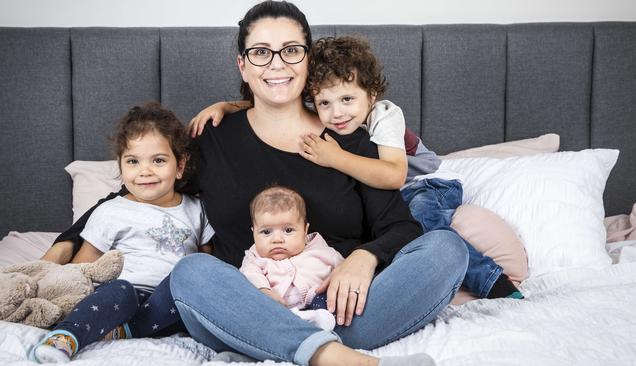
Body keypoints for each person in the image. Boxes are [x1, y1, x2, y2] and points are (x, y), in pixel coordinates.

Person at [42, 2, 467, 365]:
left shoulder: (347, 139)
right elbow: (142, 189)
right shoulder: (210, 139)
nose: (277, 63)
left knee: (447, 248)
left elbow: (402, 228)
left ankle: (311, 346)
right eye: (261, 52)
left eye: (291, 51)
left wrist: (365, 258)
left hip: (342, 308)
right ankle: (328, 355)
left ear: (308, 61)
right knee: (192, 272)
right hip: (242, 308)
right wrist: (64, 245)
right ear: (243, 65)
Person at [191, 35, 522, 300]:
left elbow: (393, 176)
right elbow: (273, 99)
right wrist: (229, 106)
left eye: (348, 100)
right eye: (324, 104)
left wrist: (335, 158)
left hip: (424, 184)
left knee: (426, 229)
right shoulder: (327, 117)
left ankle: (492, 282)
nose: (337, 113)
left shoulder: (385, 116)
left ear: (372, 94)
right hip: (389, 188)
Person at [31, 103, 215, 363]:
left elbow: (206, 263)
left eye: (159, 160)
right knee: (121, 291)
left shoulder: (196, 209)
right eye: (133, 161)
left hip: (170, 301)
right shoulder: (111, 211)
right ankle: (66, 336)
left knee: (184, 293)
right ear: (120, 165)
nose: (145, 171)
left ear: (180, 165)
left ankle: (128, 331)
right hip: (121, 295)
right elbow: (84, 265)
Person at [241, 185, 342, 330]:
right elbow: (249, 274)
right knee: (254, 307)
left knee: (332, 296)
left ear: (305, 230)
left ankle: (319, 321)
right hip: (279, 310)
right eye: (266, 232)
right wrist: (264, 291)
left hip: (317, 301)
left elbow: (344, 270)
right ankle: (300, 323)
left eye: (288, 230)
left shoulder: (321, 250)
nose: (277, 239)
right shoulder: (254, 257)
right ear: (253, 232)